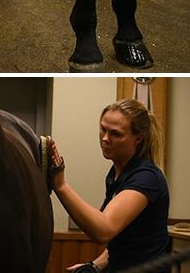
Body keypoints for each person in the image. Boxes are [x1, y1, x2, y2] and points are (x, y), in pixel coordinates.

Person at [47, 99, 169, 273]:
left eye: (116, 134)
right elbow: (125, 239)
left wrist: (61, 186)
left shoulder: (146, 178)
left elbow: (104, 230)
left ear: (138, 138)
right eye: (103, 129)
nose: (105, 139)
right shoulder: (116, 174)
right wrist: (96, 265)